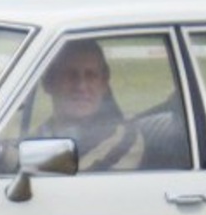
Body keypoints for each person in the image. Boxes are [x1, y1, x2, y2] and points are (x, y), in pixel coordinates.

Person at [34, 39, 145, 171]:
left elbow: (74, 179)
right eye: (71, 75)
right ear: (49, 83)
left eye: (91, 76)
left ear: (104, 84)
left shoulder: (126, 138)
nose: (81, 86)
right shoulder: (43, 132)